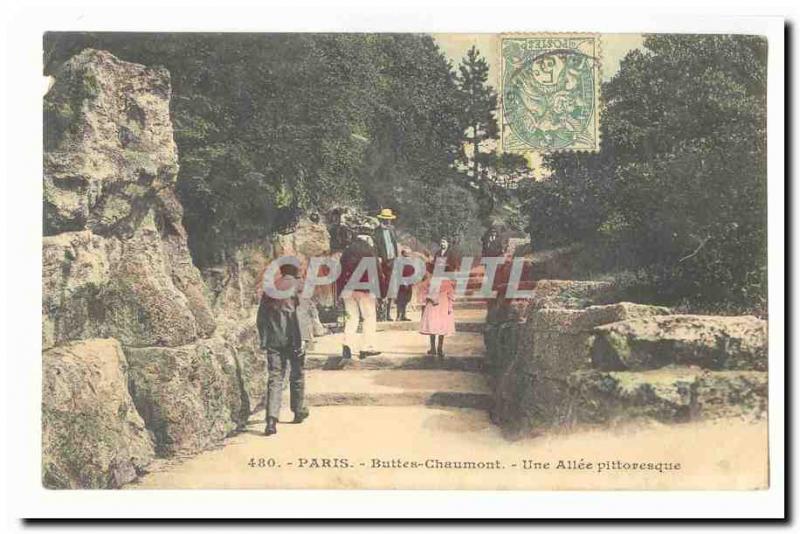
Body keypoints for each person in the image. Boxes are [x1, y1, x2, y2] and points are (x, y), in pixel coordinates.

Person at [257, 262, 312, 437]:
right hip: (294, 337)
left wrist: (264, 338)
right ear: (296, 272)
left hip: (274, 338)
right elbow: (301, 314)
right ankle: (297, 411)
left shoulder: (270, 288)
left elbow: (261, 317)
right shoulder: (300, 287)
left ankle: (271, 420)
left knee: (275, 378)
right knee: (297, 374)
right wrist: (304, 339)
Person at [337, 235, 382, 360]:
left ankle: (347, 345)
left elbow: (339, 273)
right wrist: (379, 292)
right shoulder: (369, 251)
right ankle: (366, 347)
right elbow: (376, 271)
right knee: (369, 317)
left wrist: (340, 292)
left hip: (348, 290)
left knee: (351, 318)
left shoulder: (347, 251)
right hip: (365, 290)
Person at [418, 260, 456, 360]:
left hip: (442, 304)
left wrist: (449, 307)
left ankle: (438, 348)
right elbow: (422, 290)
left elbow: (451, 295)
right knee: (434, 325)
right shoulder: (431, 280)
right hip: (434, 304)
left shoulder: (445, 281)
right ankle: (434, 348)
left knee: (440, 326)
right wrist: (427, 298)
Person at [373, 208, 399, 321]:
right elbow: (375, 246)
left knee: (391, 287)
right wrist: (378, 257)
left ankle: (388, 313)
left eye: (389, 220)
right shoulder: (376, 231)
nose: (388, 222)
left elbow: (394, 244)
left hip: (392, 260)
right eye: (386, 220)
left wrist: (396, 258)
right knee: (381, 286)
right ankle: (380, 313)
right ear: (382, 219)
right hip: (382, 261)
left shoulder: (392, 230)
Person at [395, 248, 415, 321]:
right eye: (407, 253)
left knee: (406, 299)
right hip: (402, 283)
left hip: (409, 283)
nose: (409, 254)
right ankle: (399, 315)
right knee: (400, 299)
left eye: (409, 253)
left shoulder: (411, 261)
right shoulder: (400, 262)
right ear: (403, 254)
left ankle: (403, 315)